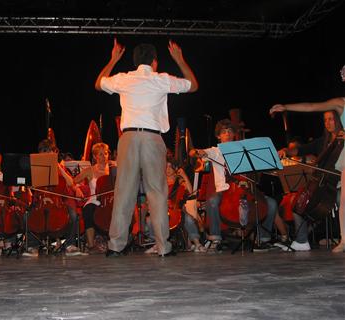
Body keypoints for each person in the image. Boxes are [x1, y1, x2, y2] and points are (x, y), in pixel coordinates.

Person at [95, 38, 198, 257]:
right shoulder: (160, 79)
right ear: (154, 62)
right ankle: (163, 247)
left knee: (123, 192)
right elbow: (193, 85)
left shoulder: (124, 79)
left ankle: (115, 246)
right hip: (152, 139)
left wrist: (113, 59)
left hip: (129, 137)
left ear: (134, 61)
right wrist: (180, 59)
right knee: (157, 193)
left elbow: (98, 83)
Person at [189, 119, 278, 252]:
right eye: (224, 132)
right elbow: (198, 152)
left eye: (230, 131)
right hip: (224, 189)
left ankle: (263, 240)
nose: (228, 134)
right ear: (219, 136)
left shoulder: (243, 150)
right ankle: (215, 238)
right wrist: (197, 152)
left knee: (271, 203)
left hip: (245, 189)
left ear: (234, 134)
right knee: (212, 201)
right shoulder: (215, 151)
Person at [270, 94, 345, 253]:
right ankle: (302, 240)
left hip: (337, 183)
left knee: (339, 199)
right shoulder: (323, 141)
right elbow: (302, 149)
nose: (328, 123)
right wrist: (286, 151)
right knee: (300, 202)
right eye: (325, 120)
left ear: (339, 120)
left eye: (331, 119)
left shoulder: (342, 138)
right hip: (327, 184)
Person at [73, 142, 113, 254]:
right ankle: (91, 245)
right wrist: (77, 189)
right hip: (94, 200)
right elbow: (73, 181)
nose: (103, 157)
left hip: (111, 200)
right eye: (100, 154)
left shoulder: (113, 168)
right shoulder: (90, 170)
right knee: (88, 210)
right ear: (95, 157)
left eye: (105, 154)